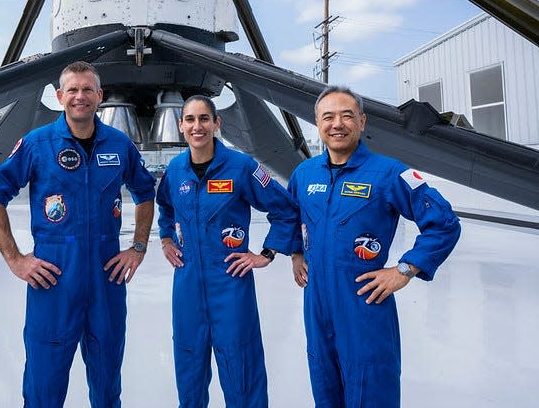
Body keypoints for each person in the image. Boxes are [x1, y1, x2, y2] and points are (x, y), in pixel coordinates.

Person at [0, 61, 156, 408]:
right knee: (44, 385)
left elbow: (145, 192)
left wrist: (137, 247)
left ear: (100, 96)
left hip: (106, 277)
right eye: (73, 90)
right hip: (54, 278)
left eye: (88, 89)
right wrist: (15, 259)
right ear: (60, 96)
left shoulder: (119, 145)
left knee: (107, 384)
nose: (80, 96)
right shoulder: (36, 143)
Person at [287, 85, 461, 408]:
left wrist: (405, 269)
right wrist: (297, 252)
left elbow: (444, 222)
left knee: (371, 393)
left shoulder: (389, 173)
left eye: (346, 116)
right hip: (317, 309)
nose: (337, 124)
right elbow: (290, 214)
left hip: (364, 308)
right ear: (317, 123)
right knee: (326, 392)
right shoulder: (303, 174)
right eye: (328, 117)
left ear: (363, 122)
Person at [156, 95, 301, 408]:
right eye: (191, 120)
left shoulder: (241, 167)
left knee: (241, 364)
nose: (198, 126)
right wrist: (167, 239)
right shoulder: (175, 170)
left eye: (204, 119)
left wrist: (267, 253)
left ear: (216, 123)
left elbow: (285, 209)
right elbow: (165, 207)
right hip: (188, 283)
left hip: (231, 283)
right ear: (181, 126)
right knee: (189, 365)